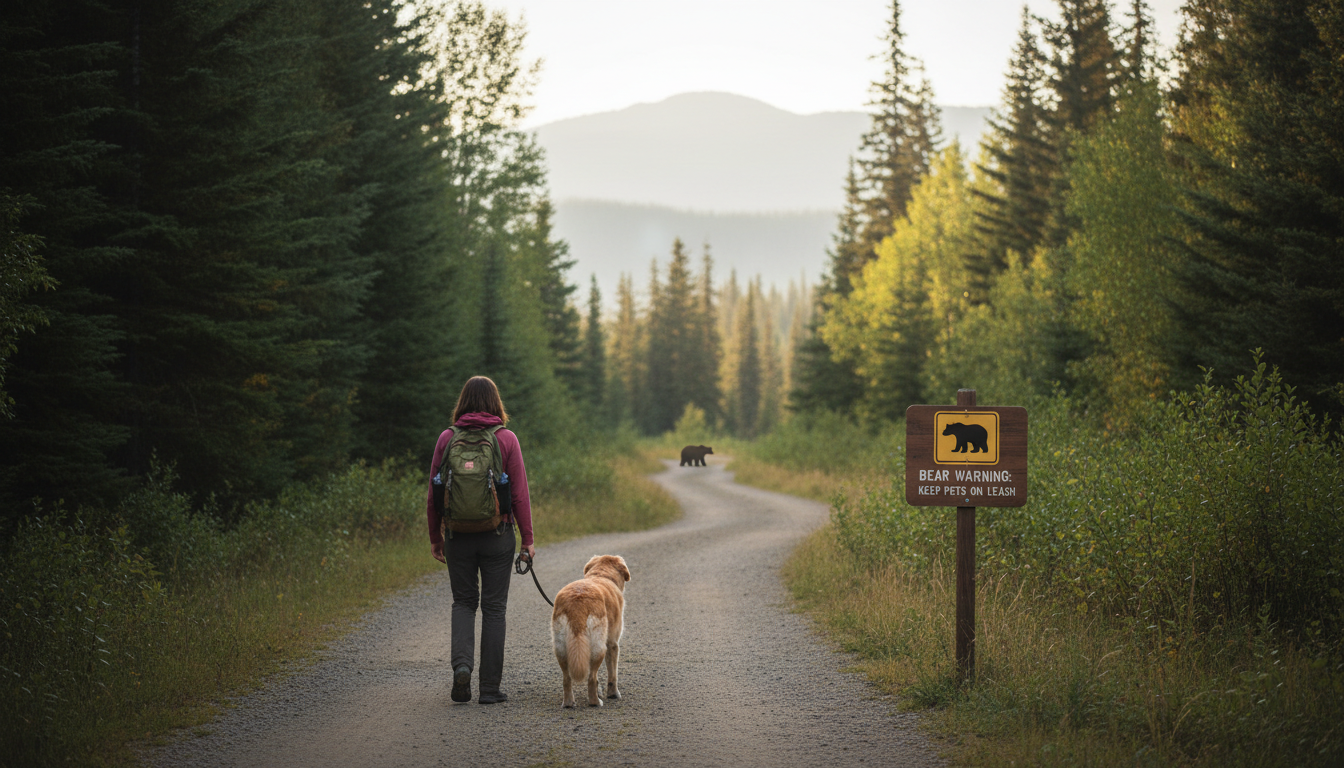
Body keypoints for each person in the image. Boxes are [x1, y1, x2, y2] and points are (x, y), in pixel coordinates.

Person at [427, 375, 535, 704]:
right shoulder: (506, 439)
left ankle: (462, 669)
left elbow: (434, 492)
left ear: (462, 403)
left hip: (457, 535)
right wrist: (528, 539)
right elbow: (518, 494)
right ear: (495, 403)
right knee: (494, 609)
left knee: (463, 603)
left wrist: (436, 536)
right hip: (497, 535)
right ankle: (489, 689)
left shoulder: (447, 438)